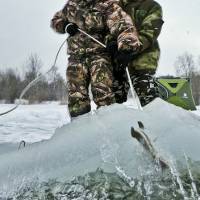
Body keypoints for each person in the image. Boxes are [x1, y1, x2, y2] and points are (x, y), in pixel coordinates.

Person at [51, 0, 141, 117]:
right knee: (76, 98)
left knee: (103, 94)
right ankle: (80, 128)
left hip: (99, 56)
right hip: (75, 58)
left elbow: (123, 25)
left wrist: (127, 47)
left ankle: (109, 126)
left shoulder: (106, 5)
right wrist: (65, 25)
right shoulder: (71, 5)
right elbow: (56, 21)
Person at [110, 0, 164, 106]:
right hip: (119, 61)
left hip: (143, 62)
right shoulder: (116, 7)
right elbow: (109, 29)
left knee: (150, 101)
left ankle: (156, 121)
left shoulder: (152, 6)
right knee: (113, 101)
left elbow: (150, 31)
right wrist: (111, 42)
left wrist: (129, 48)